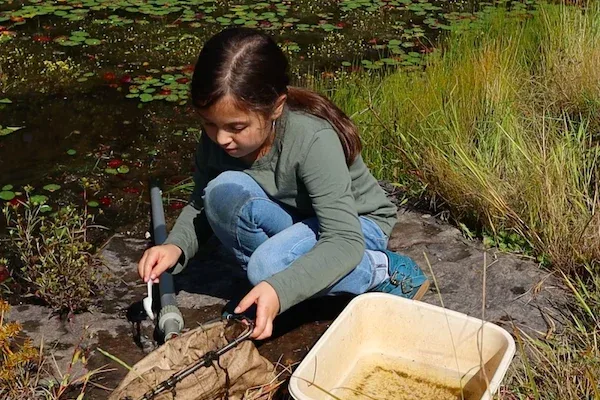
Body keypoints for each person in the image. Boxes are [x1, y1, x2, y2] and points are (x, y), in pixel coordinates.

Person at [137, 27, 429, 340]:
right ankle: (278, 287)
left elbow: (343, 240)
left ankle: (384, 271)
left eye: (236, 127)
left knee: (267, 267)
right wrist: (176, 245)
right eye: (209, 124)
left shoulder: (312, 140)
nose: (221, 138)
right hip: (298, 219)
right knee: (220, 194)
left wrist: (280, 287)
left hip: (355, 226)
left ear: (276, 107)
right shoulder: (219, 138)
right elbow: (201, 201)